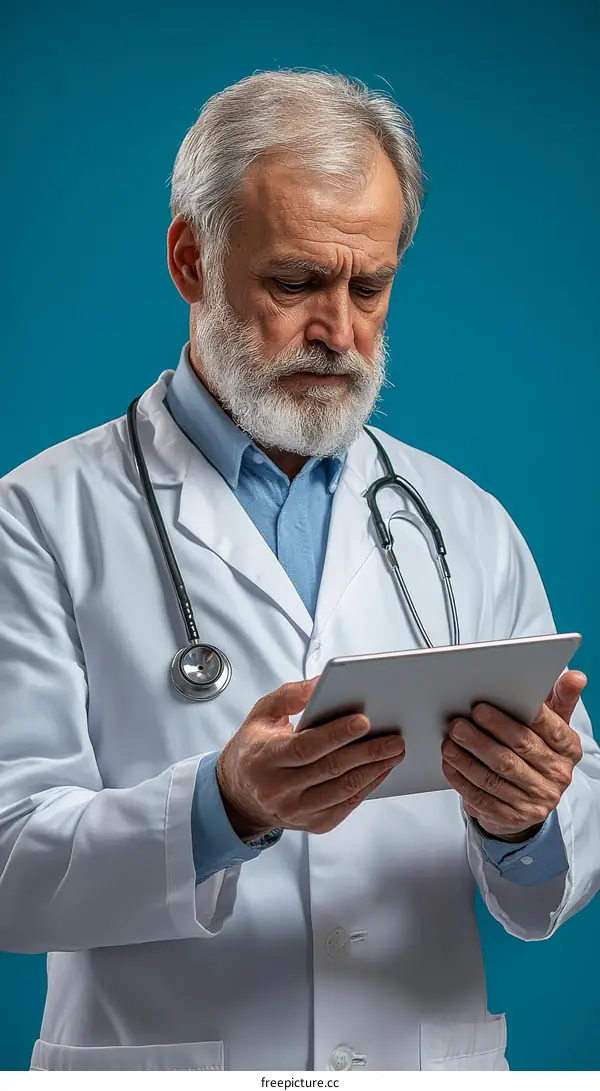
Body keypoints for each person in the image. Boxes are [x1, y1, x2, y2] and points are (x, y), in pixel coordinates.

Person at [0, 69, 598, 1074]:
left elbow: (563, 854)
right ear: (192, 259)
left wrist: (527, 815)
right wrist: (220, 807)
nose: (338, 330)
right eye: (295, 284)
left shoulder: (464, 520)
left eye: (369, 287)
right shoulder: (36, 518)